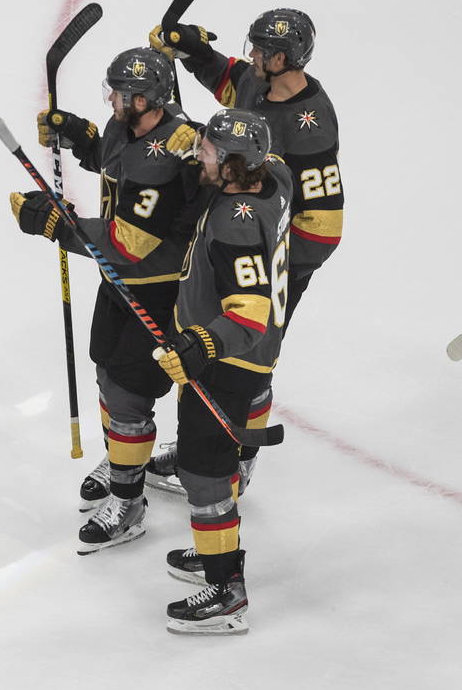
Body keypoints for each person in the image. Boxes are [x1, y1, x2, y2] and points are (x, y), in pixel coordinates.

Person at [11, 47, 203, 554]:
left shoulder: (169, 159)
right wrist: (79, 134)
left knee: (127, 393)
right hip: (119, 283)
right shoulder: (129, 125)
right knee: (107, 375)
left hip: (156, 290)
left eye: (120, 94)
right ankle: (124, 461)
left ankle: (129, 498)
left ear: (146, 100)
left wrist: (53, 223)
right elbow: (112, 159)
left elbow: (127, 242)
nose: (112, 100)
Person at [147, 8, 340, 491]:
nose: (250, 55)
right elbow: (228, 80)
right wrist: (193, 49)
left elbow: (325, 221)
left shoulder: (310, 124)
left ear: (282, 58)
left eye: (259, 49)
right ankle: (213, 439)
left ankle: (239, 450)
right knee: (221, 339)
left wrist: (274, 261)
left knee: (252, 354)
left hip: (273, 256)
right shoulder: (260, 82)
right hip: (237, 233)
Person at [152, 108, 292, 635]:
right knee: (209, 467)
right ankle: (220, 545)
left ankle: (226, 590)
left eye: (209, 153)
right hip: (248, 358)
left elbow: (248, 314)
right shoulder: (274, 176)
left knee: (203, 472)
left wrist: (199, 345)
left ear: (234, 167)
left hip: (228, 362)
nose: (199, 157)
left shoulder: (235, 222)